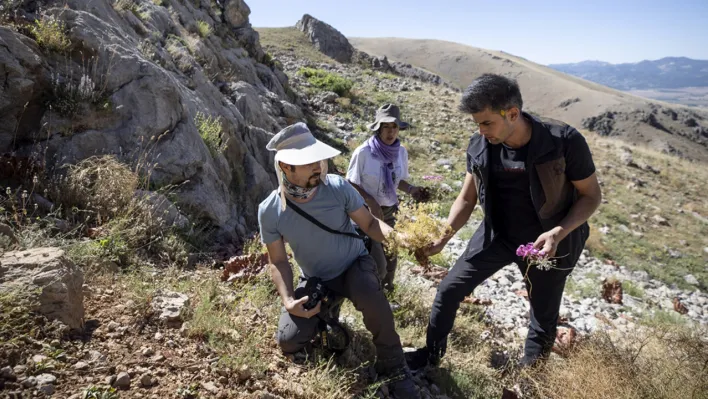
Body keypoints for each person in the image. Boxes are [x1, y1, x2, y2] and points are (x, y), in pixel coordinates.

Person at [407, 74, 602, 369]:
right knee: (448, 289)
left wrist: (556, 234)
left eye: (487, 123)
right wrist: (443, 237)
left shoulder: (562, 141)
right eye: (477, 123)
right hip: (495, 236)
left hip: (545, 245)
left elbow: (591, 196)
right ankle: (430, 357)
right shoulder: (480, 145)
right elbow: (466, 198)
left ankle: (527, 379)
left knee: (542, 316)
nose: (481, 131)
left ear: (512, 113)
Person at [257, 122, 420, 398]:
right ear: (286, 167)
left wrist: (400, 240)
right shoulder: (270, 210)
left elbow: (369, 224)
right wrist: (288, 300)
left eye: (318, 160)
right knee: (288, 340)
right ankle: (328, 311)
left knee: (370, 293)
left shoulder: (337, 187)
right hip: (318, 279)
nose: (318, 167)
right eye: (308, 163)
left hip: (354, 265)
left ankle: (393, 365)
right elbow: (278, 261)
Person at [346, 104, 424, 291]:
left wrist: (413, 190)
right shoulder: (363, 152)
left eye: (394, 127)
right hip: (366, 214)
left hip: (390, 211)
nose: (390, 132)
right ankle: (373, 294)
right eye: (386, 127)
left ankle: (388, 291)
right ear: (378, 129)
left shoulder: (401, 152)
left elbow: (398, 181)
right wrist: (370, 200)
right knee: (376, 259)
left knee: (392, 254)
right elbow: (349, 183)